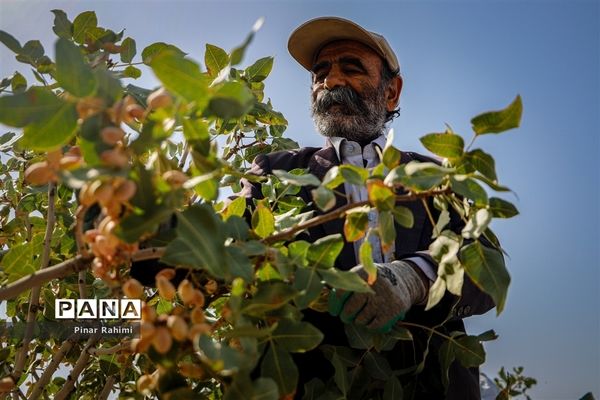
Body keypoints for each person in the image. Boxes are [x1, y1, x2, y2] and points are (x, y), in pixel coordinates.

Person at [238, 16, 499, 399]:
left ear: (391, 92)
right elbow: (216, 252)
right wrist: (138, 223)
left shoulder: (437, 175)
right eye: (320, 72)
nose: (332, 81)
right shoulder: (278, 171)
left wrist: (415, 277)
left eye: (352, 67)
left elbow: (488, 269)